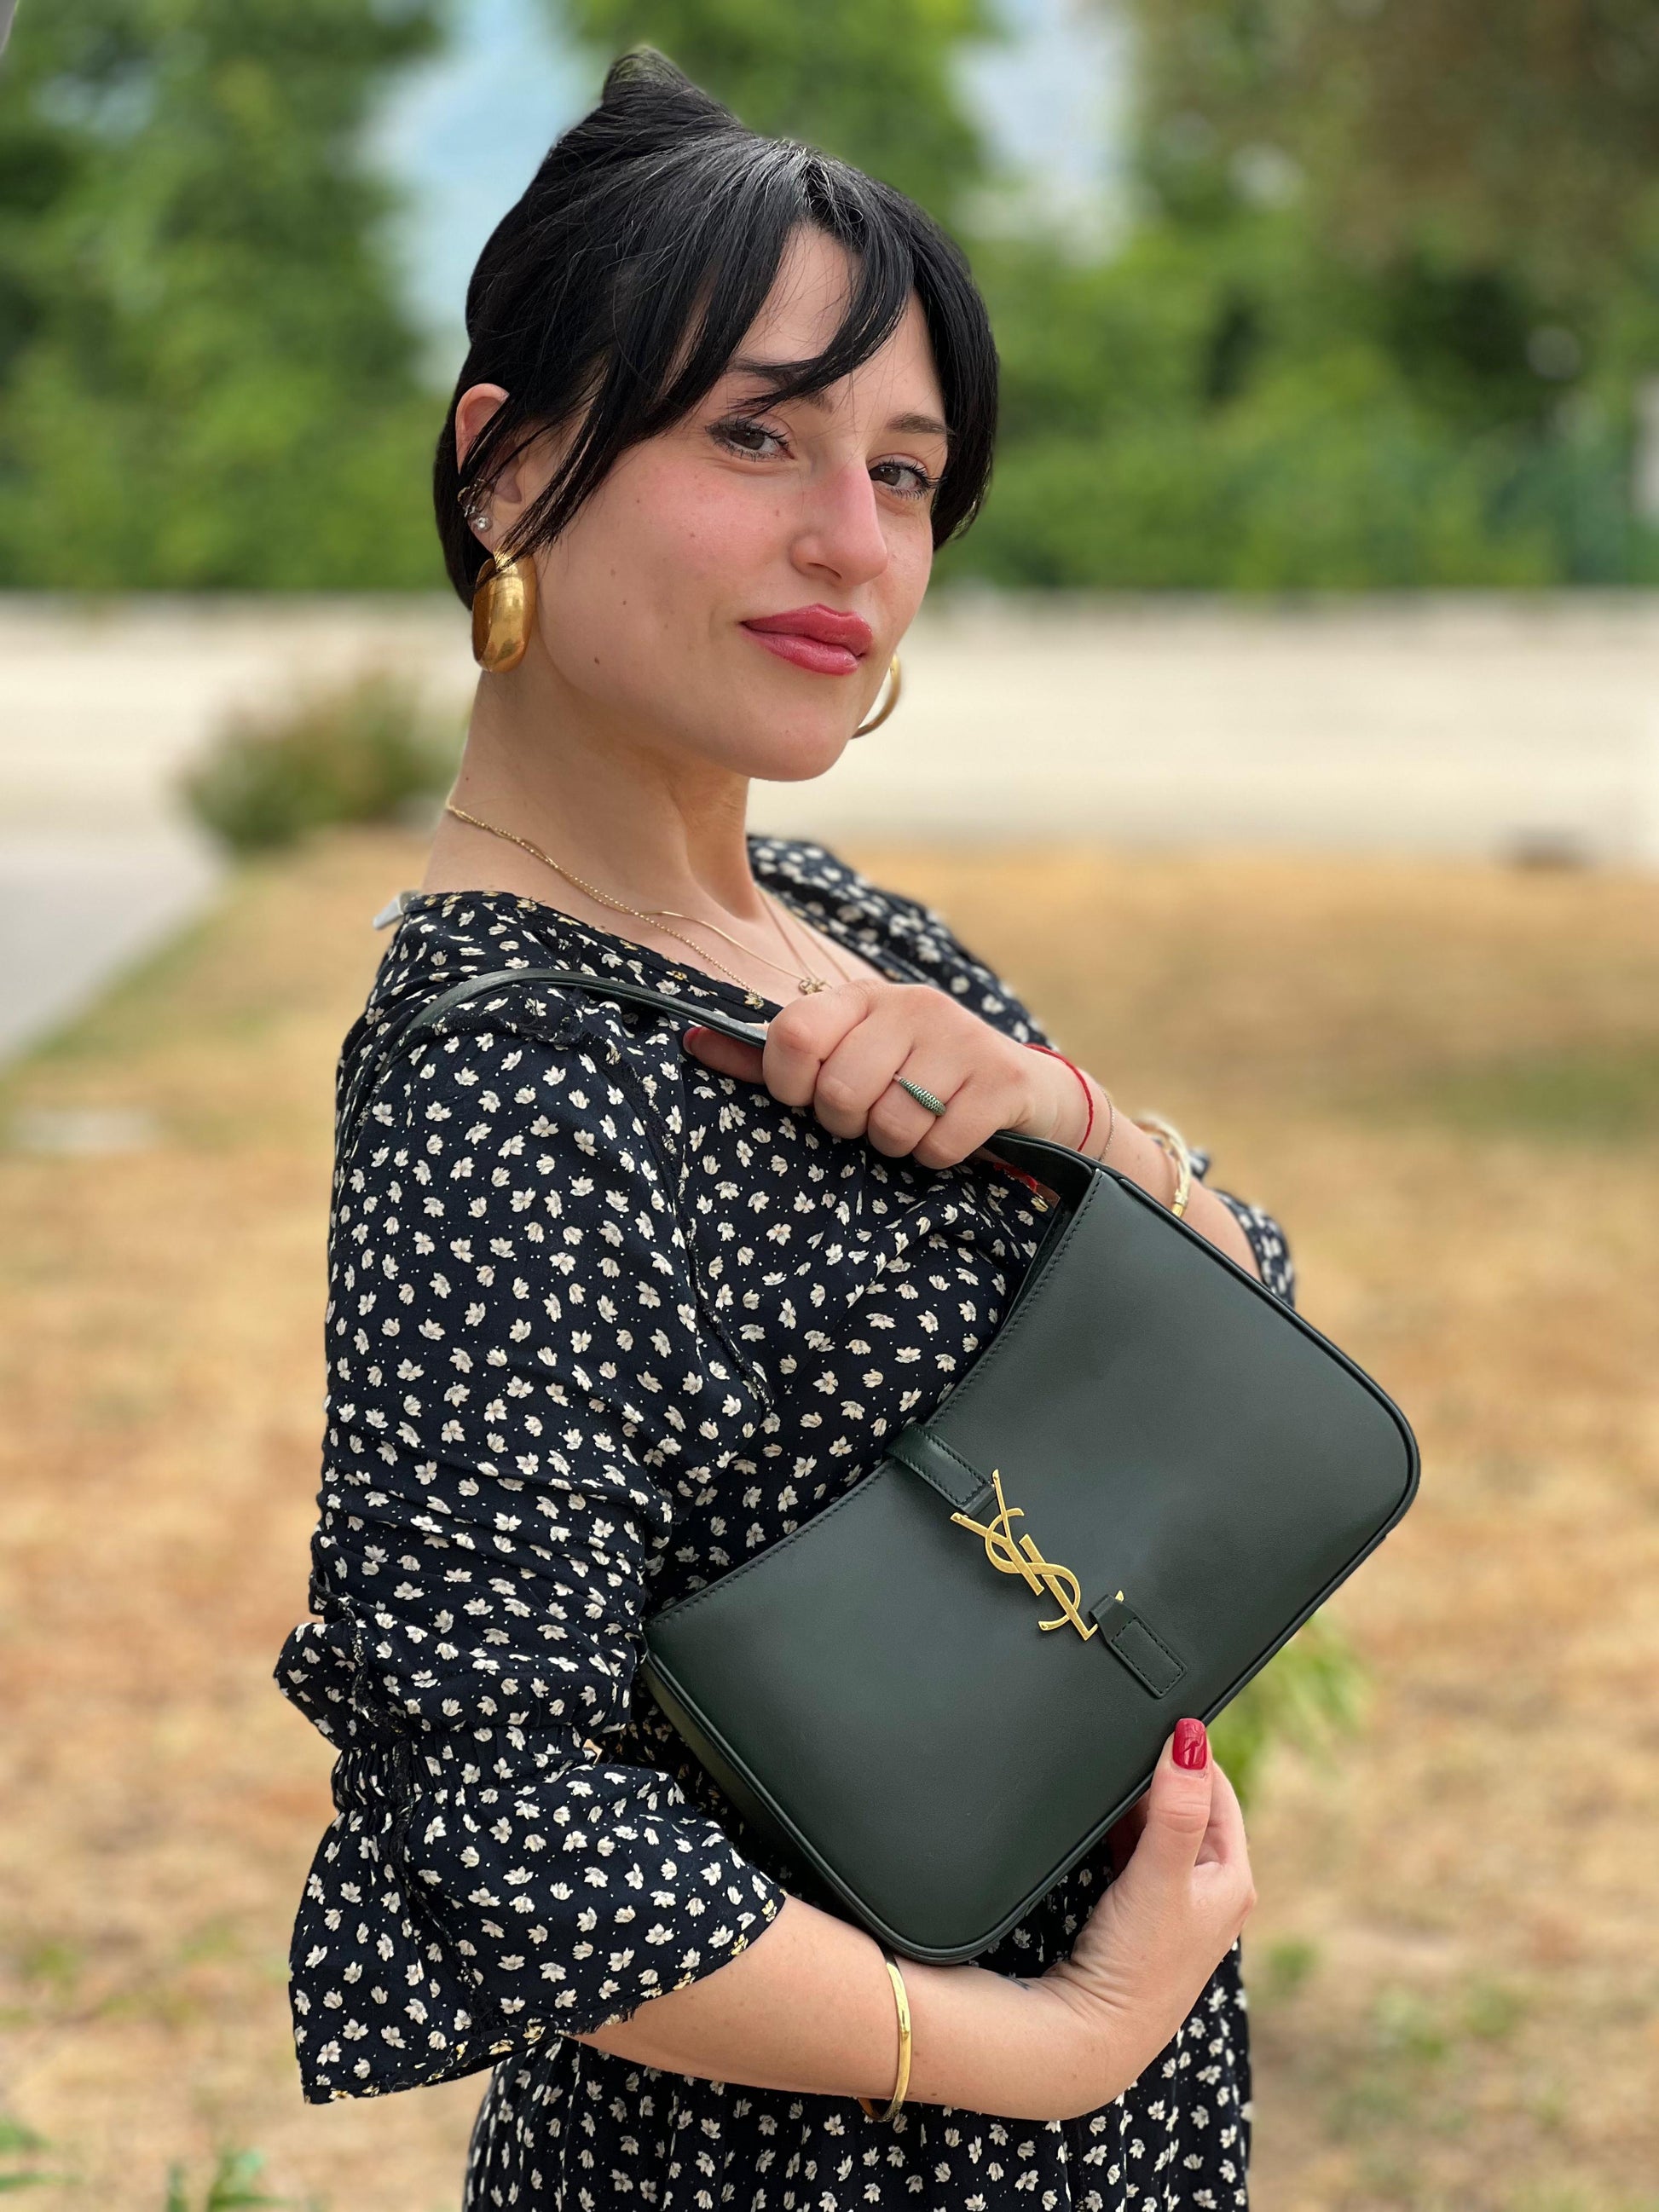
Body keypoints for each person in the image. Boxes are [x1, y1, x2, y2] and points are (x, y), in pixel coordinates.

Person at [275, 49, 1296, 2210]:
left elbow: (1250, 1358)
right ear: (506, 465)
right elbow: (500, 1812)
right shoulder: (510, 1070)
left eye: (906, 471)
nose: (854, 538)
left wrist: (1078, 1122)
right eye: (757, 435)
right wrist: (1048, 2045)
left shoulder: (840, 924)